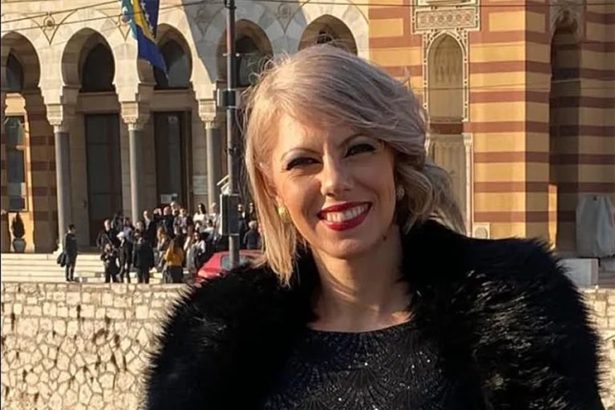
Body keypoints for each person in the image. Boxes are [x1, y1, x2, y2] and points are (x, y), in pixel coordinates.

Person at [144, 46, 604, 409]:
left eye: (359, 148)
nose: (334, 181)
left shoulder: (520, 313)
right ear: (273, 189)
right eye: (303, 162)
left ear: (396, 159)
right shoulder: (212, 344)